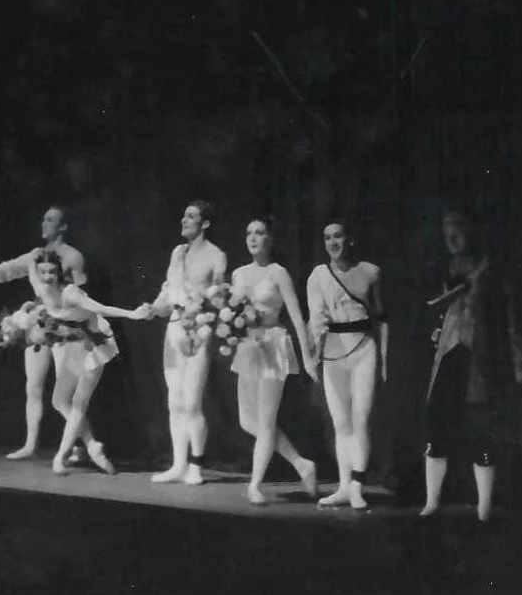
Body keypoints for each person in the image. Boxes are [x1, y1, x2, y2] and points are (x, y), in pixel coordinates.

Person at [419, 210, 522, 522]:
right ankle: (432, 502)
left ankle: (484, 509)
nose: (451, 240)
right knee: (437, 422)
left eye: (457, 232)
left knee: (481, 428)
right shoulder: (450, 270)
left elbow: (511, 322)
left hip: (481, 358)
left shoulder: (493, 272)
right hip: (451, 353)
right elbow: (440, 310)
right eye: (446, 234)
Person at [0, 206, 89, 462]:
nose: (44, 223)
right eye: (43, 218)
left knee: (65, 394)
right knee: (33, 386)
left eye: (50, 220)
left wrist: (67, 319)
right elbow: (1, 271)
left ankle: (83, 445)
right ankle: (30, 444)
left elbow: (84, 295)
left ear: (63, 227)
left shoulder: (73, 257)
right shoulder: (34, 256)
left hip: (65, 327)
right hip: (39, 324)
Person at [24, 249, 150, 475]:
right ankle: (93, 445)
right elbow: (32, 272)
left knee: (79, 403)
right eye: (42, 272)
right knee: (58, 399)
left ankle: (60, 458)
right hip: (74, 342)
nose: (47, 277)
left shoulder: (71, 293)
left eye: (52, 272)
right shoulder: (39, 287)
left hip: (94, 343)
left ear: (59, 272)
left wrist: (133, 314)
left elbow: (102, 309)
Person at [229, 218, 320, 505]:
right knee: (247, 420)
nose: (253, 238)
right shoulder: (239, 274)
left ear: (271, 239)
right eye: (249, 233)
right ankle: (302, 464)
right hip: (247, 346)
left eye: (260, 232)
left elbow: (296, 316)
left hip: (273, 346)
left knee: (267, 422)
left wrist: (307, 360)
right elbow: (232, 313)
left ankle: (255, 484)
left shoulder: (278, 273)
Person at [306, 221, 389, 510]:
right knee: (340, 423)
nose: (333, 242)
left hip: (364, 350)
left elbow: (383, 318)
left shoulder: (370, 271)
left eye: (338, 236)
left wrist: (385, 360)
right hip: (333, 354)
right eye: (327, 237)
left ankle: (356, 486)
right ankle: (343, 486)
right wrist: (313, 353)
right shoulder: (318, 275)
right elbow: (314, 320)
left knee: (360, 419)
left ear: (349, 239)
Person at [145, 200, 228, 485]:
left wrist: (200, 316)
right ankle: (178, 464)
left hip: (199, 331)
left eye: (191, 216)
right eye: (184, 214)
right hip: (174, 328)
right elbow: (169, 292)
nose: (184, 220)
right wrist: (155, 307)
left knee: (192, 401)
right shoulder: (177, 252)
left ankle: (196, 464)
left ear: (205, 223)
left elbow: (219, 298)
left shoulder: (217, 255)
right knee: (174, 400)